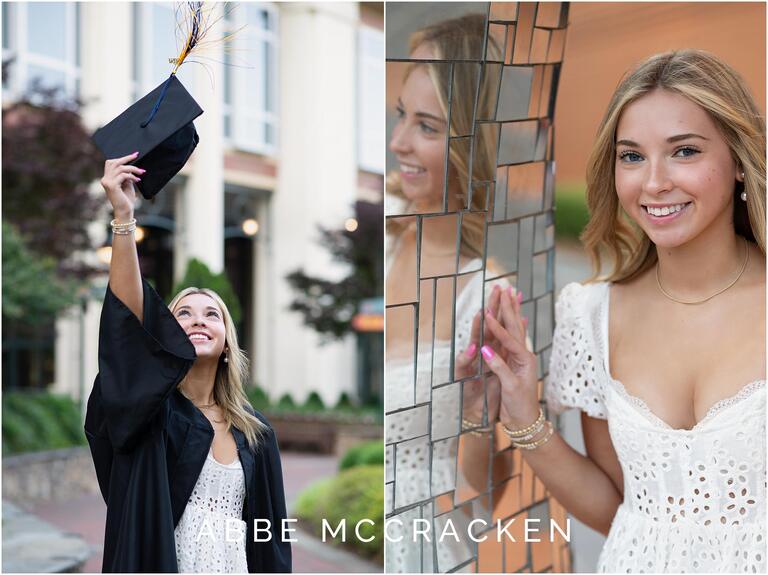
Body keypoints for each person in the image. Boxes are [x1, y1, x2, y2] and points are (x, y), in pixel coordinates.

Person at [478, 49, 765, 572]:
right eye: (631, 156)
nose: (653, 182)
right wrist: (521, 415)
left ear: (740, 160)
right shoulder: (590, 315)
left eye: (684, 151)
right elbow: (619, 507)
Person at [84, 153, 292, 573]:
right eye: (184, 313)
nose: (198, 318)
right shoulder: (151, 416)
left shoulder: (256, 433)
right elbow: (125, 325)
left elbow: (273, 537)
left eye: (212, 314)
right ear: (167, 338)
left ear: (228, 343)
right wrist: (124, 219)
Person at [385, 14, 520, 573]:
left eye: (428, 127)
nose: (399, 143)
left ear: (472, 143)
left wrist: (475, 416)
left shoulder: (486, 295)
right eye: (401, 117)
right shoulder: (383, 230)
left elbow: (485, 499)